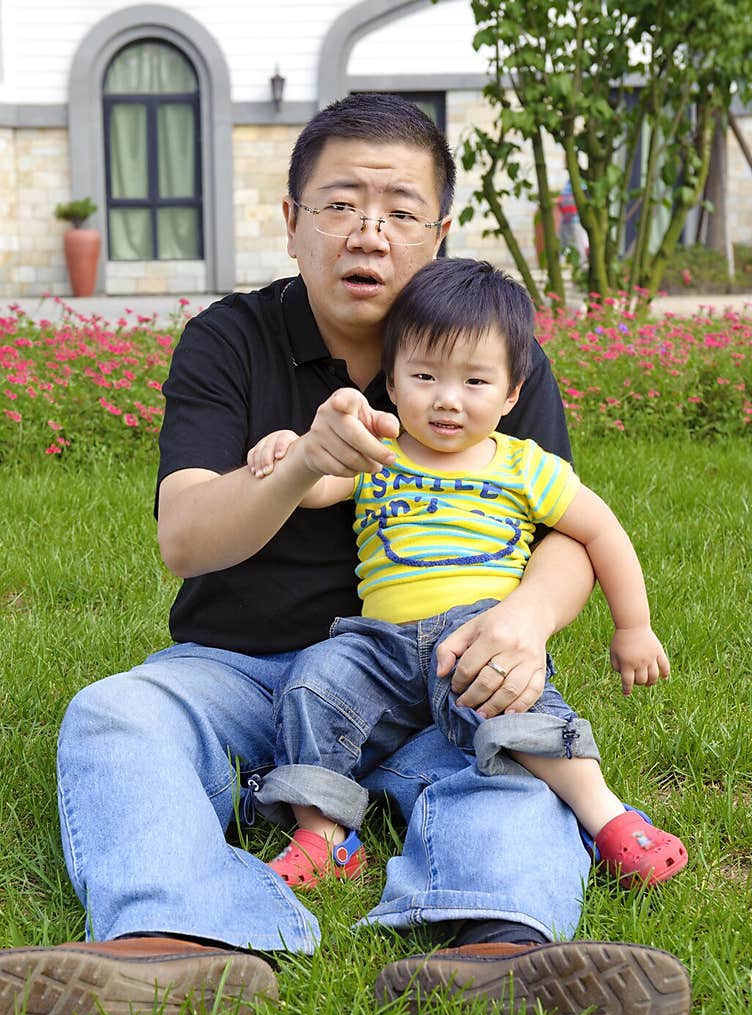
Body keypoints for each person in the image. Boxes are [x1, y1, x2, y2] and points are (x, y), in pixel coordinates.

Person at [0, 93, 690, 1015]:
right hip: (244, 668)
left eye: (398, 210)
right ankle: (174, 942)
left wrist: (523, 625)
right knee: (118, 715)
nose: (368, 232)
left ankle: (502, 956)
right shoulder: (230, 340)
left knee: (511, 763)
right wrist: (300, 464)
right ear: (290, 221)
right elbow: (185, 536)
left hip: (439, 673)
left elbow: (565, 527)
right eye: (339, 204)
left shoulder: (488, 353)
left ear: (439, 232)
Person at [245, 257, 688, 892]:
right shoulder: (379, 454)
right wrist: (289, 452)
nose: (447, 399)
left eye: (475, 381)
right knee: (313, 684)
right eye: (424, 375)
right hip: (380, 643)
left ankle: (609, 820)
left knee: (520, 707)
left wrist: (635, 626)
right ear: (392, 384)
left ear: (512, 393)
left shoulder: (525, 466)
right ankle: (323, 835)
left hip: (481, 632)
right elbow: (313, 487)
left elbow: (601, 531)